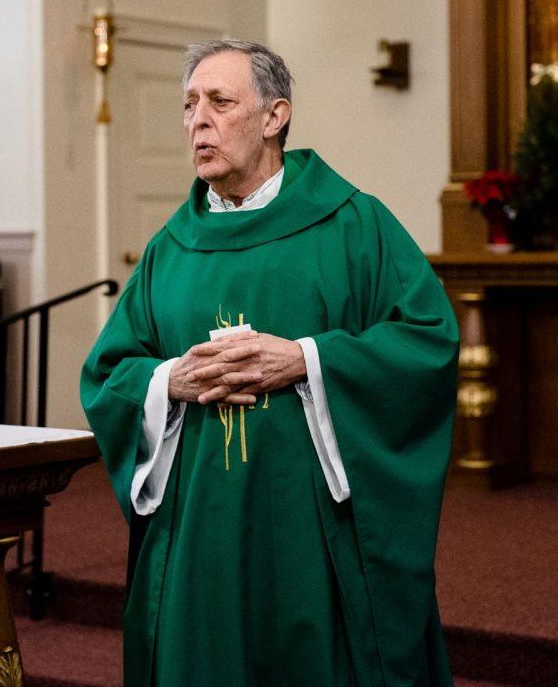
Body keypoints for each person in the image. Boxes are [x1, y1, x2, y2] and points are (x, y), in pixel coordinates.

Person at [81, 39, 458, 687]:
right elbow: (108, 372)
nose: (198, 119)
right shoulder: (171, 249)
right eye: (189, 104)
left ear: (274, 116)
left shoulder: (351, 225)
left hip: (309, 531)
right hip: (200, 524)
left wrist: (308, 359)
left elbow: (427, 340)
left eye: (220, 101)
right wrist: (168, 379)